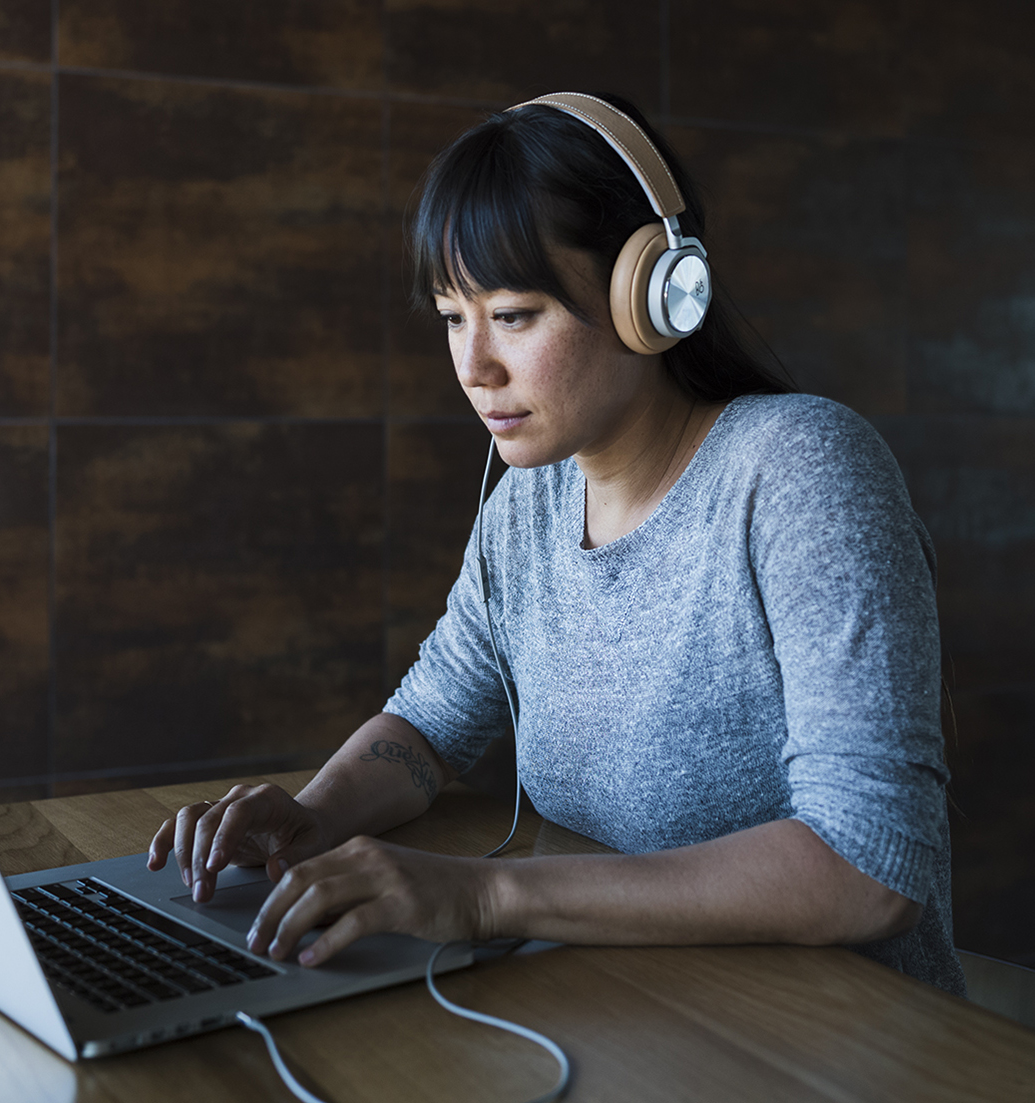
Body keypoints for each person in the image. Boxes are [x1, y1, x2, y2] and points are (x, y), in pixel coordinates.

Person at [147, 92, 964, 995]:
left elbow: (870, 867)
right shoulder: (524, 506)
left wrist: (490, 895)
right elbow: (428, 726)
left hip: (840, 1048)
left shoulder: (798, 469)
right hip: (624, 1018)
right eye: (454, 317)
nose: (473, 367)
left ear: (652, 296)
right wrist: (313, 814)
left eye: (515, 313)